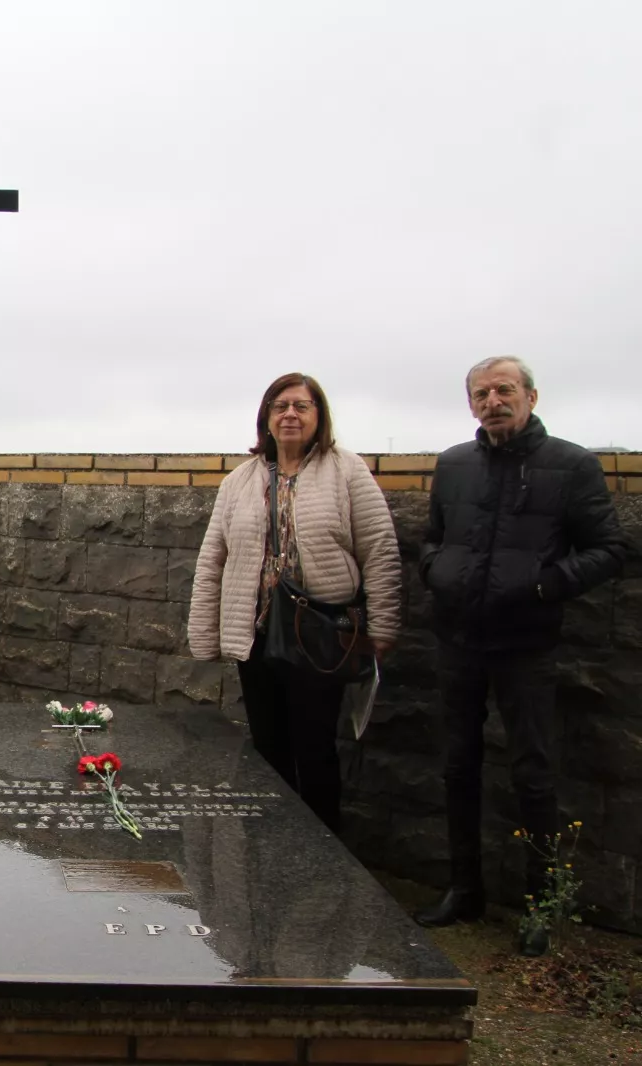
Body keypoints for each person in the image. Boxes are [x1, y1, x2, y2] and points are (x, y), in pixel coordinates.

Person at [414, 356, 625, 954]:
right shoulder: (454, 465)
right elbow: (432, 536)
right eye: (481, 393)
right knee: (458, 767)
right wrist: (436, 570)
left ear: (531, 396)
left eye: (504, 390)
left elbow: (609, 549)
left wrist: (542, 585)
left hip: (526, 643)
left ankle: (540, 903)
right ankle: (464, 889)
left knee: (533, 773)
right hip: (457, 640)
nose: (493, 400)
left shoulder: (572, 464)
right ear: (471, 404)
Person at [189, 373, 402, 832]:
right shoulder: (239, 482)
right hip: (259, 635)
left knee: (315, 748)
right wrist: (205, 635)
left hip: (320, 636)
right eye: (281, 406)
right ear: (266, 416)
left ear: (318, 416)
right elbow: (213, 561)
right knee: (268, 749)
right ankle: (272, 849)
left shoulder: (347, 471)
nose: (290, 414)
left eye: (302, 407)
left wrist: (383, 626)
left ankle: (324, 859)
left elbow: (379, 549)